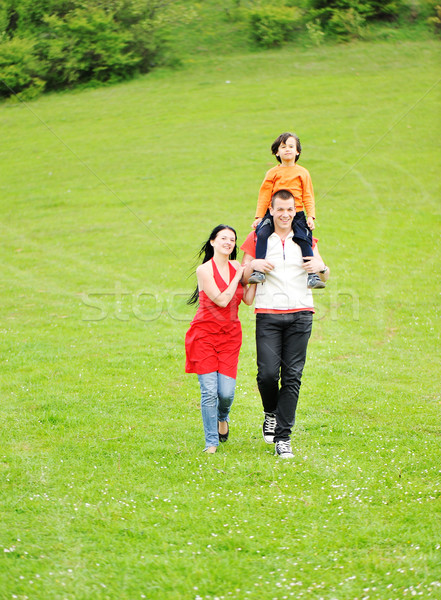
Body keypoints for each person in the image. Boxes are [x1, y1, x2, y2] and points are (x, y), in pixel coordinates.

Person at [241, 190, 329, 459]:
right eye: (280, 209)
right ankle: (270, 412)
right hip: (268, 313)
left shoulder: (304, 237)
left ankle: (283, 438)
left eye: (290, 209)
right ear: (271, 210)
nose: (285, 214)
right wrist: (253, 264)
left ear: (295, 210)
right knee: (267, 374)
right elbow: (243, 276)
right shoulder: (258, 238)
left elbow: (324, 272)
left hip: (301, 314)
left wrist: (322, 266)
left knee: (292, 377)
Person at [185, 225, 256, 454]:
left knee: (225, 393)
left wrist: (256, 281)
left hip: (230, 337)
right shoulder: (204, 270)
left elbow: (246, 299)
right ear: (213, 242)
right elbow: (223, 300)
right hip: (204, 336)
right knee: (208, 391)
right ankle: (211, 442)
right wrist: (238, 275)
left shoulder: (237, 266)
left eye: (232, 239)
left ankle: (222, 417)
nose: (229, 242)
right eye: (223, 238)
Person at [248, 132, 325, 290]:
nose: (287, 149)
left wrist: (311, 216)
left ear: (297, 152)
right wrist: (259, 217)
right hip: (274, 213)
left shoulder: (302, 172)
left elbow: (308, 195)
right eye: (283, 147)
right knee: (261, 233)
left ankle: (312, 275)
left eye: (291, 146)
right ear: (277, 152)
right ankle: (258, 271)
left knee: (304, 238)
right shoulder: (272, 173)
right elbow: (264, 196)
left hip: (296, 213)